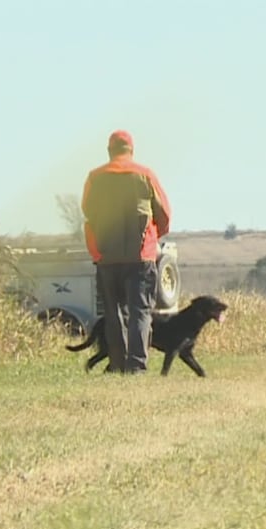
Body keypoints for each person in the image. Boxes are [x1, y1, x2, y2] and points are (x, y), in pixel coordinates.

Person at [81, 130, 172, 374]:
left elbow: (87, 212)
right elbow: (164, 215)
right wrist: (153, 240)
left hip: (106, 258)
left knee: (113, 313)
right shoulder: (145, 175)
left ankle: (118, 363)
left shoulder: (95, 177)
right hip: (140, 258)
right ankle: (136, 366)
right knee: (140, 311)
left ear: (109, 150)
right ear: (131, 150)